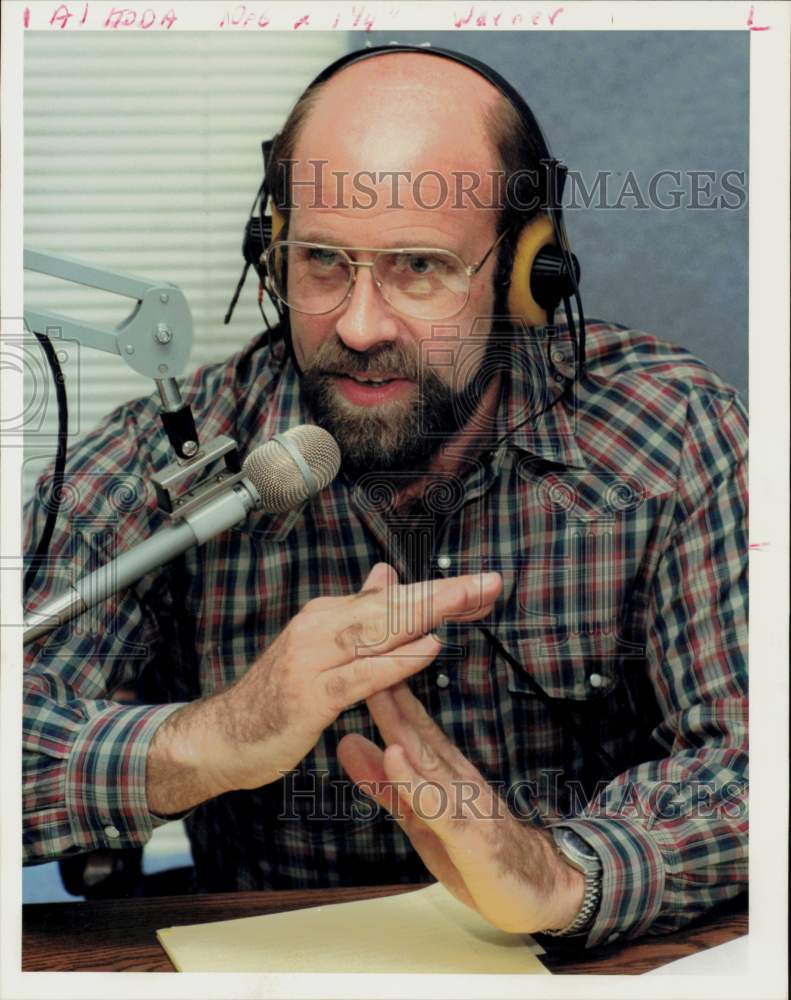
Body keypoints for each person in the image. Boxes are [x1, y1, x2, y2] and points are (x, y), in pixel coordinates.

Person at [23, 47, 747, 948]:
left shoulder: (670, 434)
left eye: (418, 267)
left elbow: (753, 759)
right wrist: (210, 739)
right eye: (322, 261)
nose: (360, 326)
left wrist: (566, 875)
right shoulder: (172, 462)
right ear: (270, 251)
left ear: (529, 274)